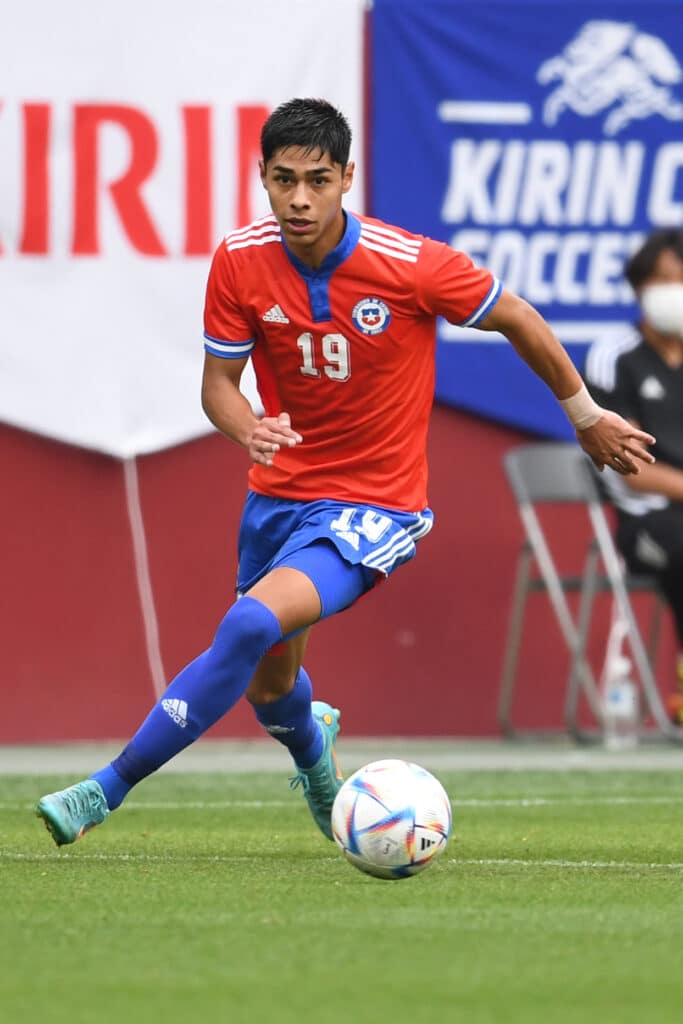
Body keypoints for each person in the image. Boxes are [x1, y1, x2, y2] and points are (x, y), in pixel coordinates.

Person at [35, 98, 655, 847]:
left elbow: (516, 317)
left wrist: (585, 416)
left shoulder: (409, 264)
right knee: (269, 687)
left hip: (375, 505)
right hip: (277, 500)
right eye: (283, 179)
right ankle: (314, 754)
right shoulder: (239, 258)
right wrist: (248, 429)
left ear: (347, 178)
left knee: (246, 623)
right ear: (261, 176)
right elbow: (217, 390)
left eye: (318, 180)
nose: (299, 198)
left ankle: (104, 791)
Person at [584, 229, 683, 722]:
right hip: (645, 520)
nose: (676, 289)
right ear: (641, 287)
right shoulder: (614, 355)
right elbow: (631, 466)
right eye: (666, 279)